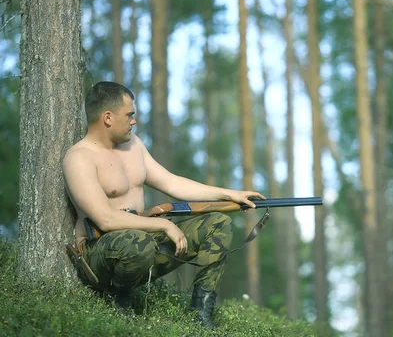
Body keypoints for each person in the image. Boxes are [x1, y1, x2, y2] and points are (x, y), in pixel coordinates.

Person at [62, 81, 265, 329]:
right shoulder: (79, 158)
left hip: (141, 242)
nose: (133, 121)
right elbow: (106, 219)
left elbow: (172, 182)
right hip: (101, 255)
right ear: (107, 117)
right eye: (129, 115)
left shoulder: (133, 145)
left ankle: (200, 312)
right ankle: (120, 301)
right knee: (140, 242)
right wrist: (161, 225)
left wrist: (229, 194)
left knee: (218, 223)